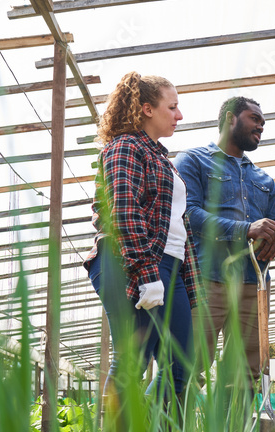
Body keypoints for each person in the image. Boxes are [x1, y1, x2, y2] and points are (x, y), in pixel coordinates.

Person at [84, 71, 201, 411]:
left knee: (181, 365)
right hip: (131, 261)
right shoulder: (125, 148)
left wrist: (189, 286)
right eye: (173, 107)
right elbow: (122, 210)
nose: (179, 115)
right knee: (132, 359)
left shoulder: (162, 158)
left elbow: (178, 226)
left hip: (168, 264)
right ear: (147, 109)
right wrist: (145, 272)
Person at [175, 96, 275, 381]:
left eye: (263, 122)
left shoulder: (263, 178)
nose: (261, 126)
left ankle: (236, 428)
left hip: (254, 283)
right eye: (254, 119)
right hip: (208, 279)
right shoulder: (194, 160)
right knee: (189, 362)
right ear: (230, 119)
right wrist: (247, 229)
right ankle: (170, 426)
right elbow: (189, 214)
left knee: (246, 370)